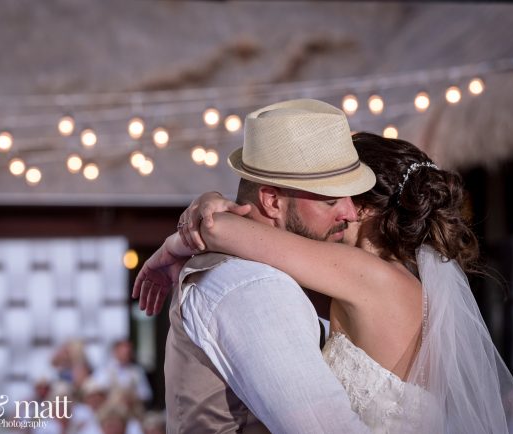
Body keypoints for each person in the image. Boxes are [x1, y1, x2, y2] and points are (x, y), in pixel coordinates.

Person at [136, 132, 513, 433]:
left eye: (343, 194)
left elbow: (222, 230)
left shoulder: (363, 276)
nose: (341, 210)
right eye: (331, 196)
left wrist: (185, 231)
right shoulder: (393, 284)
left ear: (365, 206)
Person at [135, 99, 374, 433]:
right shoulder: (256, 286)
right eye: (331, 200)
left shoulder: (248, 270)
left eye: (352, 197)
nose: (350, 214)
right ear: (272, 200)